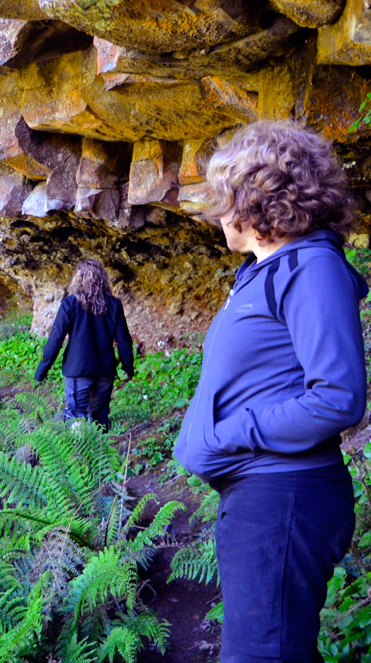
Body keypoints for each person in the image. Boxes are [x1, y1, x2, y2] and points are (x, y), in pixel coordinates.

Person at [173, 120, 366, 663]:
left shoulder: (312, 267)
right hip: (262, 496)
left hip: (285, 497)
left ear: (260, 199)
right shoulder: (267, 270)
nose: (215, 208)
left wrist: (233, 434)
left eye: (224, 193)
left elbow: (339, 397)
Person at [34, 258, 135, 431]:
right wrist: (128, 367)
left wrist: (42, 370)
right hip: (104, 370)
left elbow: (56, 339)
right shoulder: (113, 305)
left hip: (77, 371)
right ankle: (102, 455)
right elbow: (124, 341)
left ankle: (80, 456)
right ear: (102, 279)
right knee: (100, 417)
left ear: (78, 280)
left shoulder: (69, 304)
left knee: (76, 416)